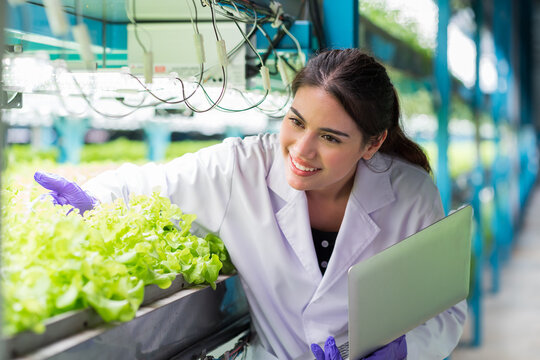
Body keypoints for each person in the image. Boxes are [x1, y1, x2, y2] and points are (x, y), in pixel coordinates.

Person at [35, 48, 466, 359]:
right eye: (296, 122)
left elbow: (444, 311)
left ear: (372, 144)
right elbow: (147, 186)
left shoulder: (411, 195)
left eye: (331, 138)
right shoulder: (241, 168)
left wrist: (404, 352)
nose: (302, 149)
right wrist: (89, 198)